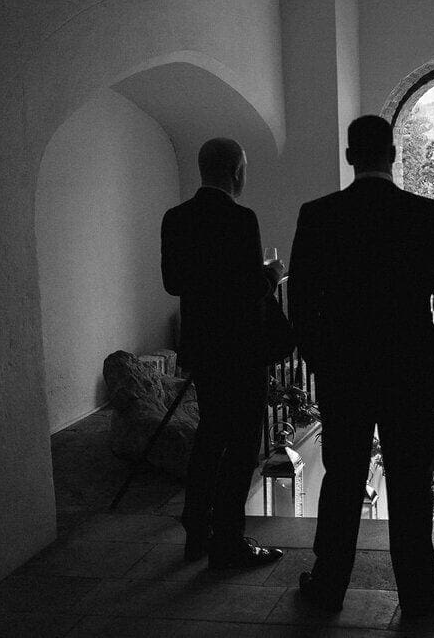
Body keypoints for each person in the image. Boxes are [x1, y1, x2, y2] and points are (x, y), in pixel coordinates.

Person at [290, 115, 434, 616]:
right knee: (410, 481)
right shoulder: (423, 213)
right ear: (392, 154)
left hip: (344, 373)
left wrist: (322, 361)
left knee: (342, 477)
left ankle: (327, 586)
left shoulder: (319, 214)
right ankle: (418, 590)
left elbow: (301, 304)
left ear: (350, 156)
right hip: (409, 373)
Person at [160, 137, 285, 569]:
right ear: (235, 171)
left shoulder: (175, 218)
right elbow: (248, 292)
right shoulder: (241, 219)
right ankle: (229, 540)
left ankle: (196, 525)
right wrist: (271, 274)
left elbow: (173, 282)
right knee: (243, 445)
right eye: (244, 167)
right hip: (239, 349)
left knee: (211, 436)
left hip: (202, 347)